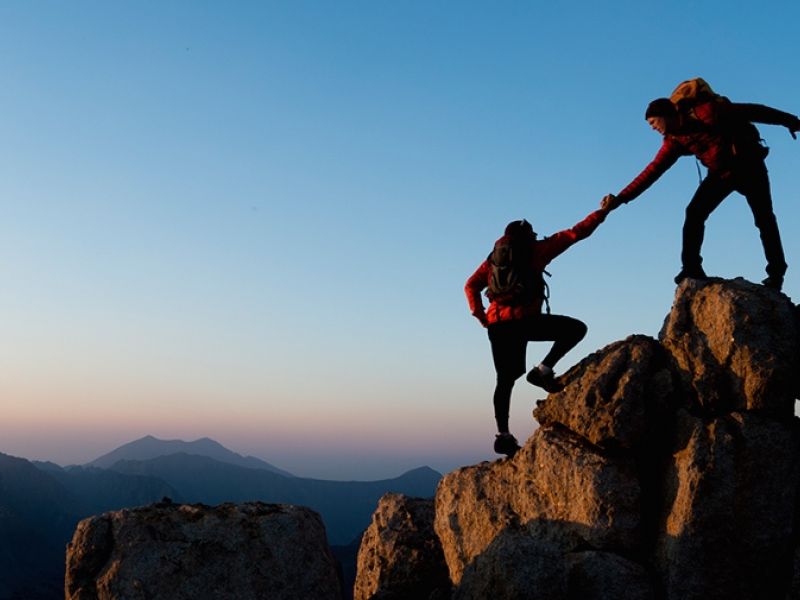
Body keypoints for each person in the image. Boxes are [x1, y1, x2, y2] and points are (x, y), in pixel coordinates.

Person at [603, 89, 800, 291]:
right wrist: (620, 198)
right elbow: (651, 172)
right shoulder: (673, 141)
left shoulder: (708, 112)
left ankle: (776, 273)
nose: (652, 128)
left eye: (653, 122)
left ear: (666, 115)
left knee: (764, 218)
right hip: (721, 175)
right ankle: (691, 267)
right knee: (694, 212)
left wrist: (790, 121)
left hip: (749, 166)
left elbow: (754, 111)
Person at [465, 203, 608, 457]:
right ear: (528, 236)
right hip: (526, 322)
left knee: (505, 380)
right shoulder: (536, 250)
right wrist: (602, 212)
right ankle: (542, 371)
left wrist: (481, 317)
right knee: (575, 329)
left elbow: (470, 285)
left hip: (498, 326)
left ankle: (503, 435)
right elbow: (576, 233)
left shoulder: (492, 261)